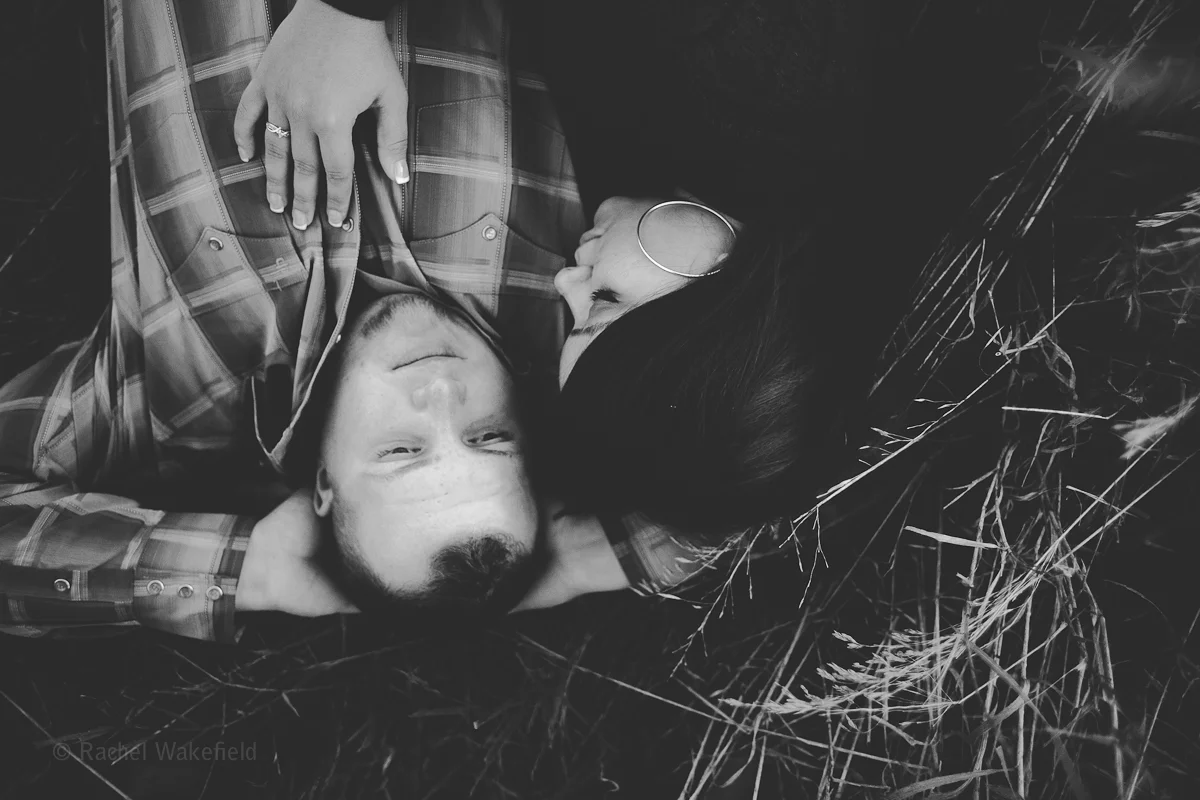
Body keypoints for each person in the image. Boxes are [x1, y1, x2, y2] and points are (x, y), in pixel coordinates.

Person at [0, 0, 585, 640]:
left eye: (402, 450)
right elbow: (681, 488)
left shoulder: (167, 406)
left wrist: (255, 572)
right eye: (491, 437)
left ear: (324, 488)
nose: (443, 391)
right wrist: (590, 560)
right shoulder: (576, 309)